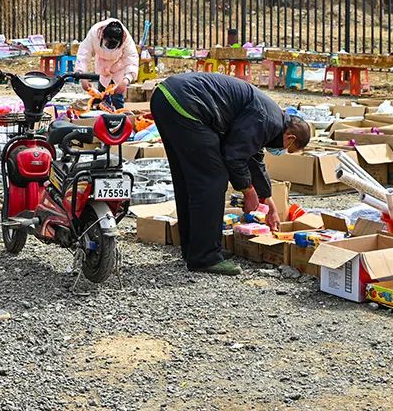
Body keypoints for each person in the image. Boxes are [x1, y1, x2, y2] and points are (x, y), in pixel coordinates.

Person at [150, 72, 312, 275]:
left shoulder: (272, 119)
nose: (283, 151)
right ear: (290, 137)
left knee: (189, 178)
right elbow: (234, 155)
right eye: (289, 148)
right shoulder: (266, 119)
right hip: (186, 105)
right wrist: (248, 190)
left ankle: (194, 248)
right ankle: (205, 257)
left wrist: (267, 199)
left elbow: (253, 157)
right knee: (213, 179)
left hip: (166, 97)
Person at [74, 18, 139, 109]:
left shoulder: (127, 39)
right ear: (102, 35)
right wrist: (82, 76)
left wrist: (126, 80)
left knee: (117, 100)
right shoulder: (94, 33)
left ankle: (119, 118)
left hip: (118, 68)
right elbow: (83, 54)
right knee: (101, 99)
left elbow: (132, 59)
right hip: (103, 69)